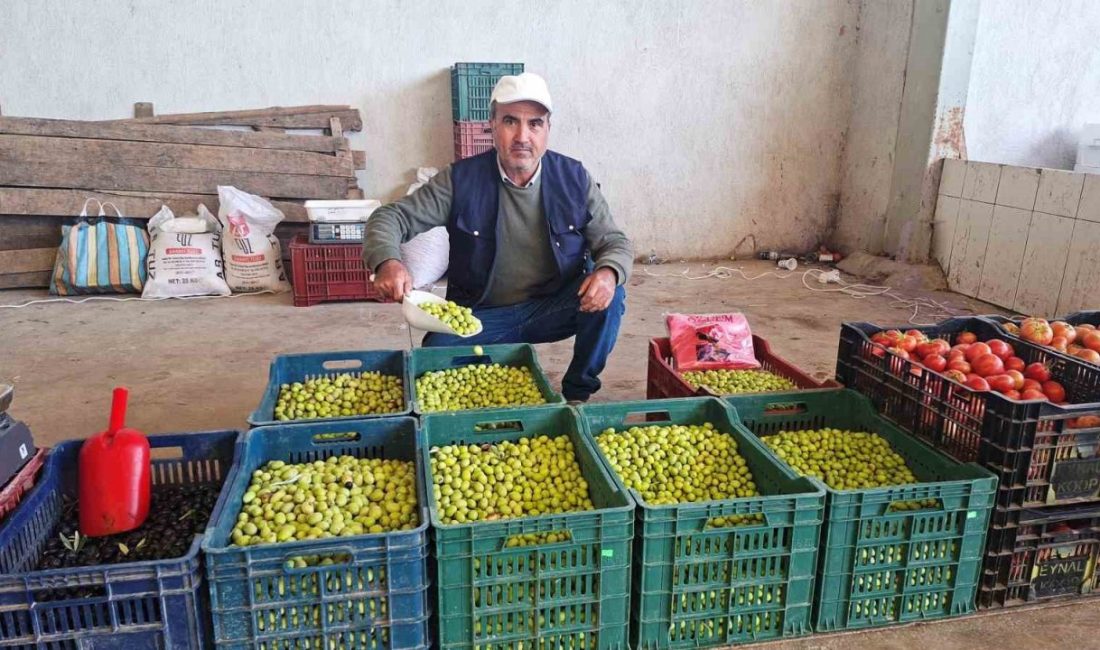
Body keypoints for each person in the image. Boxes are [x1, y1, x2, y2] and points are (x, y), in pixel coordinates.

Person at [363, 72, 634, 403]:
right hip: (483, 316)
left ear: (547, 129)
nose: (522, 136)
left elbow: (615, 241)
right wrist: (387, 260)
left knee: (613, 295)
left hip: (552, 307)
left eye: (534, 124)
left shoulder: (574, 178)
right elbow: (390, 216)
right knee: (434, 356)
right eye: (510, 121)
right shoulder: (461, 180)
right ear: (492, 125)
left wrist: (608, 273)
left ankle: (577, 394)